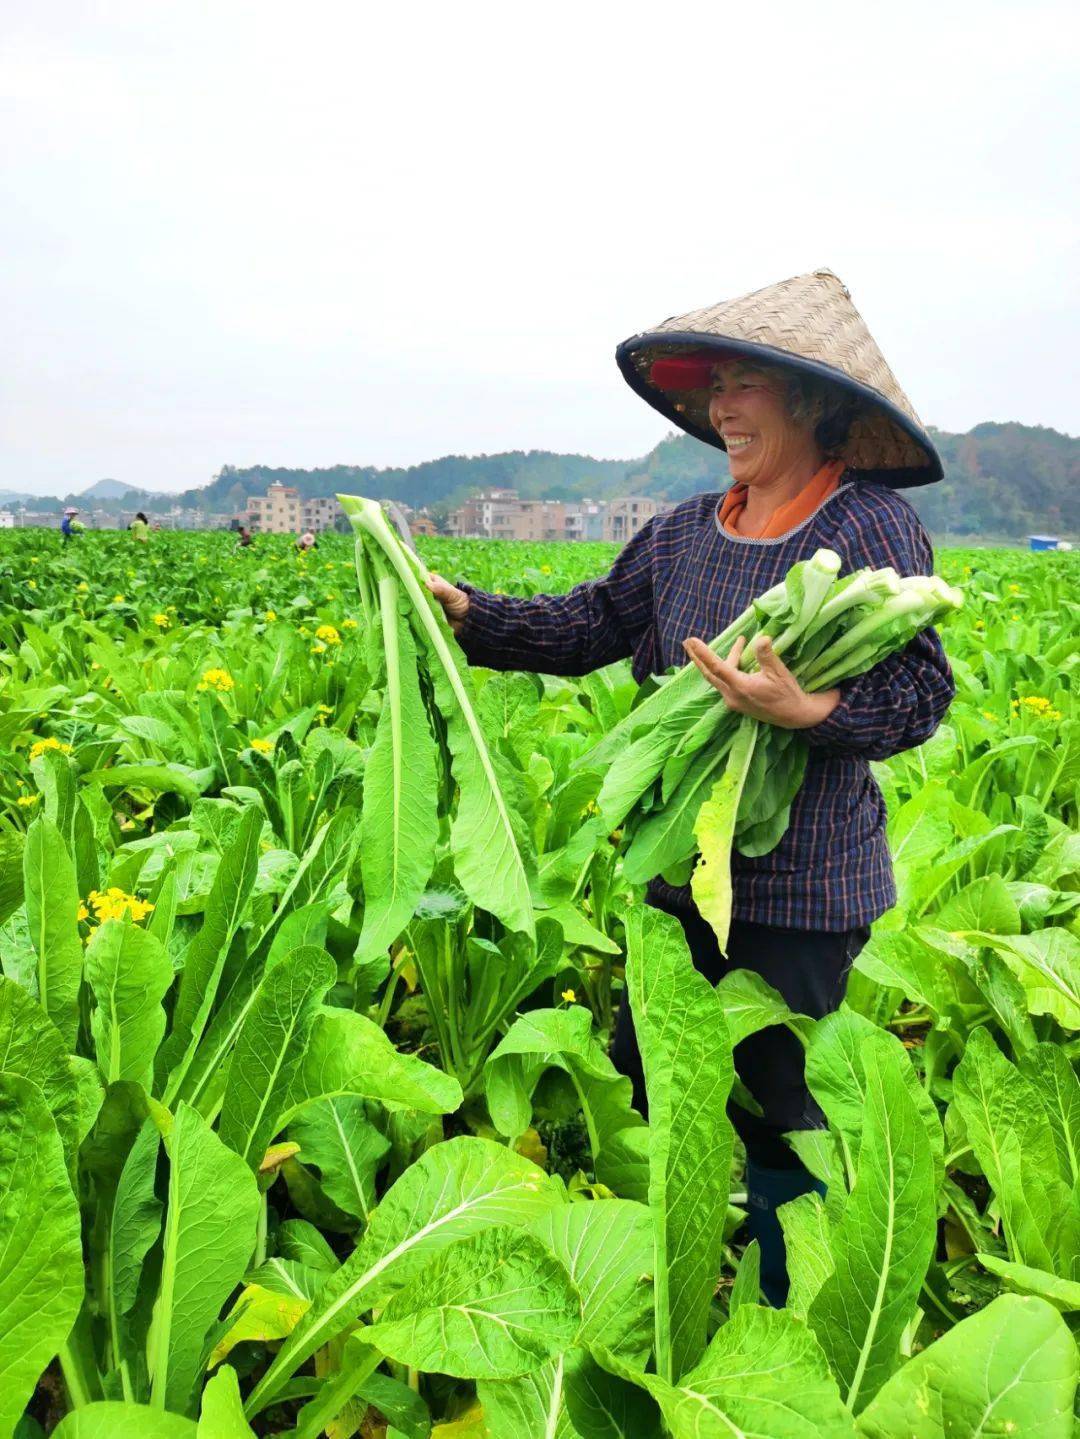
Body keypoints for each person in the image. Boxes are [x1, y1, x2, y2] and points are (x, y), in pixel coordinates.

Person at [427, 269, 954, 1305]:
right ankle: (652, 1286)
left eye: (743, 383)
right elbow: (590, 624)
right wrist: (469, 614)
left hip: (798, 895)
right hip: (674, 881)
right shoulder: (680, 531)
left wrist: (812, 712)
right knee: (649, 1090)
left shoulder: (872, 528)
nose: (719, 405)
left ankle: (783, 1312)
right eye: (711, 386)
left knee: (777, 1112)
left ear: (809, 398)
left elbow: (920, 693)